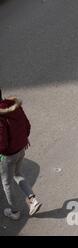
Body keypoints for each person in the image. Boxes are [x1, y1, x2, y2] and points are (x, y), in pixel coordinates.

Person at [0, 89, 42, 220]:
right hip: (21, 148)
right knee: (18, 174)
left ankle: (14, 212)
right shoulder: (14, 106)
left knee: (7, 183)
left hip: (8, 156)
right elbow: (26, 125)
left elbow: (2, 143)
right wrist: (23, 139)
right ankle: (32, 200)